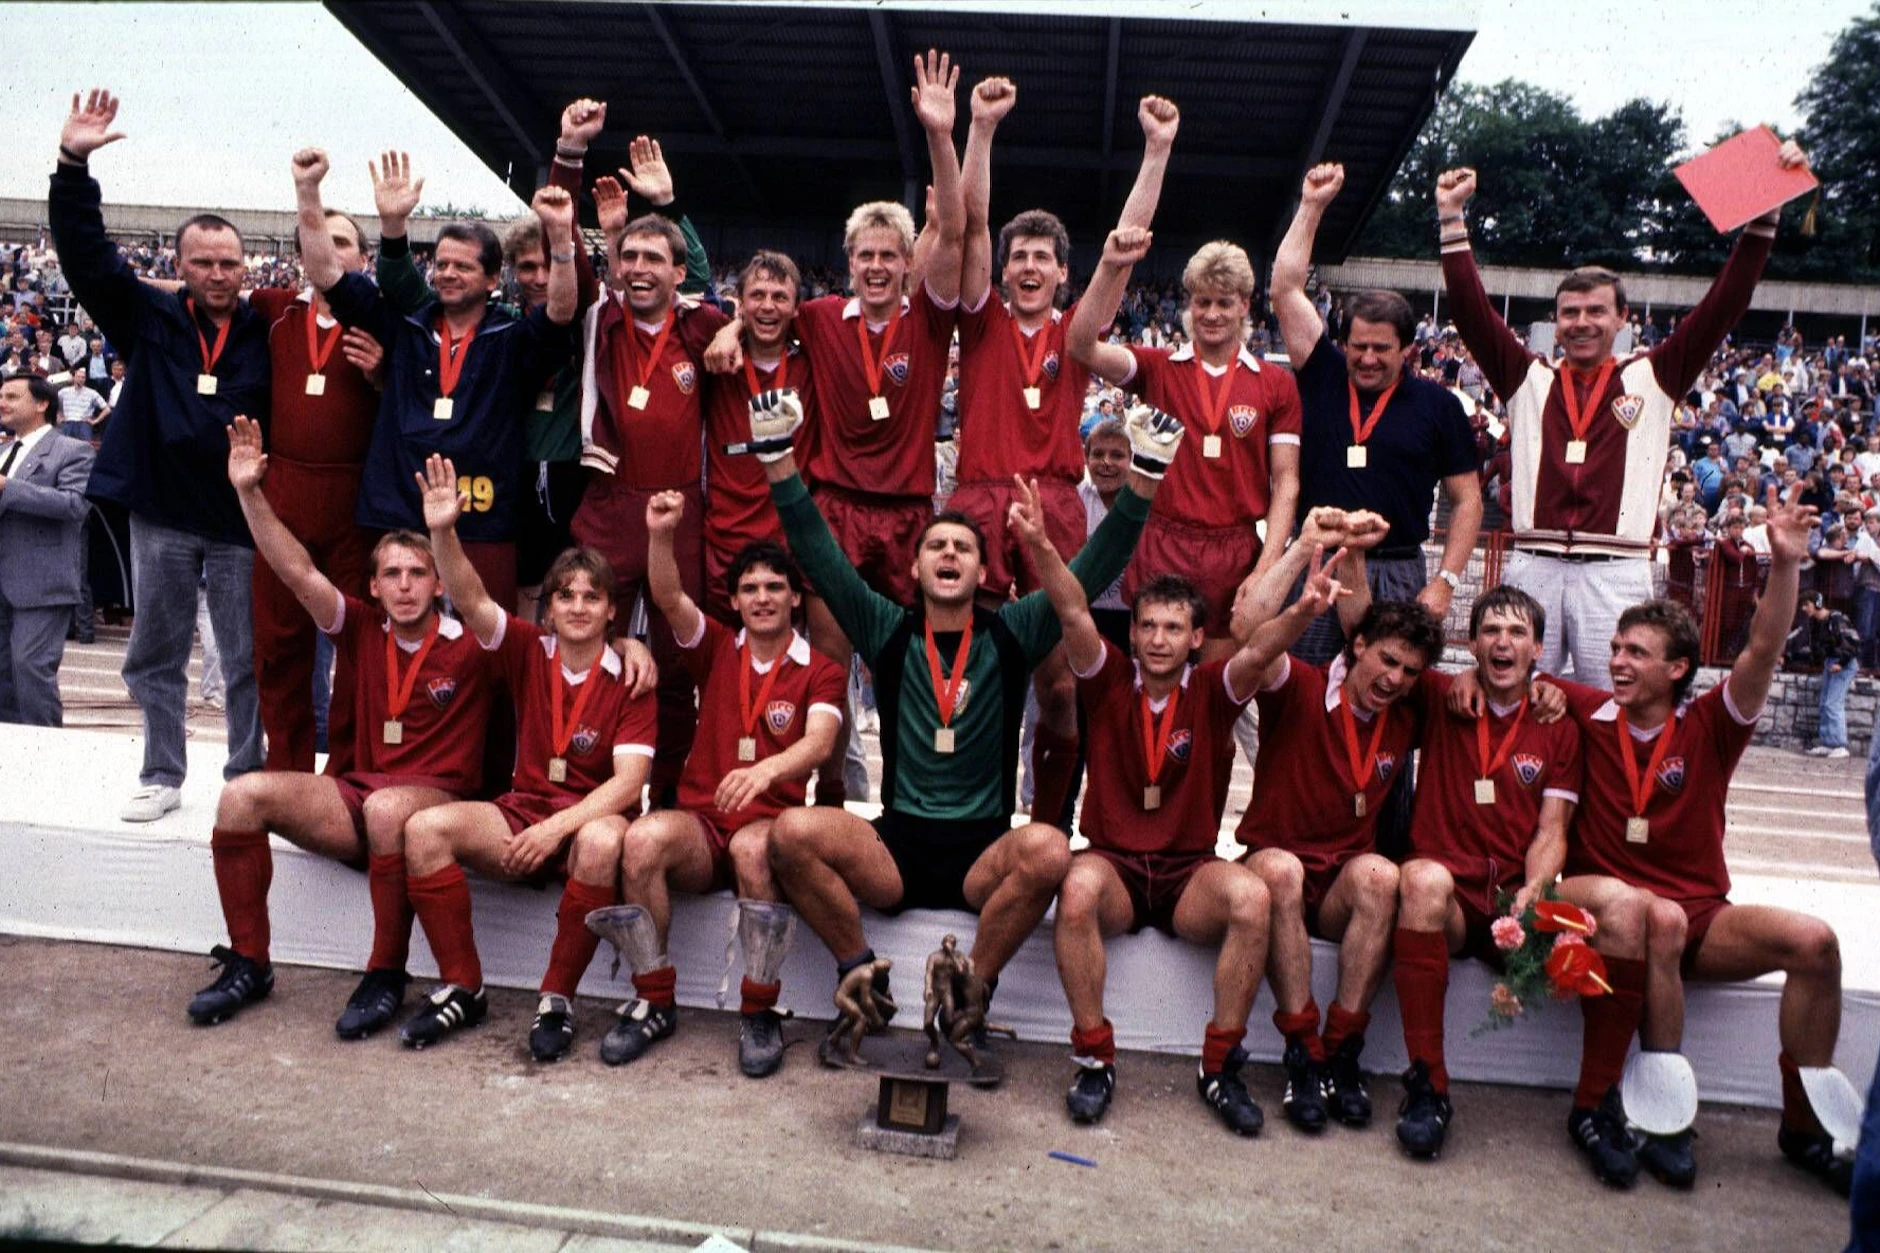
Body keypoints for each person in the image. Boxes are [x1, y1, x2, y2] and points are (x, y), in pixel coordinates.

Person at [752, 392, 1178, 1057]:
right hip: (896, 847)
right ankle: (858, 970)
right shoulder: (887, 629)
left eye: (962, 548)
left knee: (1050, 850)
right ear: (916, 567)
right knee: (790, 832)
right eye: (936, 546)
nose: (948, 555)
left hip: (982, 852)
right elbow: (823, 558)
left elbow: (1091, 570)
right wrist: (779, 463)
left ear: (983, 570)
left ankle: (967, 990)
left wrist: (1144, 483)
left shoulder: (1012, 631)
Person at [1543, 489, 1855, 1192]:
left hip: (1700, 915)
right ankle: (1662, 1116)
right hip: (1606, 903)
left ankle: (1804, 1126)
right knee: (1658, 914)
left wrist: (1783, 565)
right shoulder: (1588, 711)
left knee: (1816, 941)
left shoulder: (1713, 723)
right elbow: (1502, 672)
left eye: (1636, 653)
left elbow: (1766, 645)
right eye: (1616, 649)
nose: (1617, 662)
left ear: (1677, 668)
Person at [1435, 142, 1810, 680]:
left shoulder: (1655, 375)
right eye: (1569, 313)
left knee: (1613, 702)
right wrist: (1452, 220)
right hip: (1533, 562)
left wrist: (1763, 219)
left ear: (1622, 319)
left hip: (1616, 568)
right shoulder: (1528, 377)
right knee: (1513, 698)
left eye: (1595, 312)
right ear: (1555, 321)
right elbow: (1473, 317)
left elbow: (1722, 307)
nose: (1581, 323)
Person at [703, 50, 967, 806]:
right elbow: (757, 320)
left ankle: (907, 804)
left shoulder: (931, 317)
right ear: (846, 261)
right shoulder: (818, 319)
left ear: (909, 263)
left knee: (909, 669)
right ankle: (820, 806)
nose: (878, 266)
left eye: (891, 254)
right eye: (866, 255)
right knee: (828, 666)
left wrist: (942, 137)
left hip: (910, 512)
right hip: (835, 508)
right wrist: (724, 328)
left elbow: (952, 227)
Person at [188, 418, 494, 1038]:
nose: (405, 587)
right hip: (359, 797)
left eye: (417, 574)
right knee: (241, 795)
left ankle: (385, 972)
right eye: (392, 576)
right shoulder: (360, 627)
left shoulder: (475, 641)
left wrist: (444, 535)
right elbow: (297, 570)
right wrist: (250, 493)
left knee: (386, 810)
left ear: (438, 583)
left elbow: (500, 607)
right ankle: (249, 961)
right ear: (374, 587)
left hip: (438, 801)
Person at [1049, 545, 1351, 1134]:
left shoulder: (1214, 687)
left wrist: (1304, 613)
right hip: (1115, 866)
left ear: (1195, 638)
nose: (1159, 638)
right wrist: (1039, 544)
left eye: (1174, 627)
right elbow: (1072, 612)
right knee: (1077, 886)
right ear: (1132, 635)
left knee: (1251, 897)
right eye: (1148, 626)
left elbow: (1261, 649)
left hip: (1189, 872)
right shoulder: (1108, 678)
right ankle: (1093, 1059)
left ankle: (1220, 1068)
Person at [949, 79, 1177, 827]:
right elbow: (974, 222)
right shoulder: (978, 317)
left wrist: (1156, 149)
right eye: (1019, 256)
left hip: (1054, 500)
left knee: (1059, 680)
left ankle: (1048, 825)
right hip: (980, 496)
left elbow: (1125, 248)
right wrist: (980, 130)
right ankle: (969, 816)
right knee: (971, 676)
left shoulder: (1079, 332)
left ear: (1061, 272)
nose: (1028, 267)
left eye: (1043, 257)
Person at [50, 88, 267, 822]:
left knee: (244, 658)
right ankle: (163, 770)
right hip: (164, 511)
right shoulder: (150, 314)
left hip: (242, 516)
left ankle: (247, 778)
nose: (216, 273)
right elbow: (86, 258)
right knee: (156, 649)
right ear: (177, 266)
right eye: (202, 262)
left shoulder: (267, 329)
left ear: (247, 268)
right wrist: (73, 164)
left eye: (229, 262)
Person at [398, 455, 657, 1055]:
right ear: (548, 606)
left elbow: (628, 785)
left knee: (602, 839)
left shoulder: (632, 676)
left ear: (612, 611)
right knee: (424, 829)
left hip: (585, 822)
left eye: (592, 597)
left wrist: (556, 829)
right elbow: (471, 596)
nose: (578, 606)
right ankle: (463, 986)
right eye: (564, 595)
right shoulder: (525, 647)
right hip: (522, 811)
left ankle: (556, 998)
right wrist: (442, 533)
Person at [1397, 586, 1658, 1174]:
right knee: (1420, 881)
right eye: (1490, 631)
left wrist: (1536, 890)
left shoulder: (1558, 721)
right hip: (1455, 899)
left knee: (1625, 906)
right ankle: (1429, 1087)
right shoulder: (1443, 696)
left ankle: (1594, 1105)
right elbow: (1378, 645)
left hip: (1517, 893)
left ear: (1540, 647)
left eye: (1517, 633)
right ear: (1471, 643)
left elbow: (1553, 827)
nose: (1503, 642)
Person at [597, 492, 845, 1076]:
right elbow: (666, 596)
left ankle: (759, 1009)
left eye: (775, 587)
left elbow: (820, 742)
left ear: (795, 599)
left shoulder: (823, 669)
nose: (762, 598)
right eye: (751, 589)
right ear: (734, 601)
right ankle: (654, 999)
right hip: (702, 823)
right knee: (641, 840)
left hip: (765, 825)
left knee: (755, 848)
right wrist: (660, 534)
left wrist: (765, 770)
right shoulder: (715, 645)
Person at [293, 147, 578, 614]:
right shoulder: (405, 325)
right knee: (395, 645)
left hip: (481, 519)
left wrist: (562, 240)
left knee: (482, 652)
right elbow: (326, 273)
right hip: (399, 515)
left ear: (491, 280)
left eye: (462, 266)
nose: (447, 274)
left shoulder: (511, 336)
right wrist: (308, 192)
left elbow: (562, 310)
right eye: (441, 264)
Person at [1228, 517, 1443, 1136]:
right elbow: (1250, 643)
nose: (1395, 679)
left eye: (1410, 670)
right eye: (1387, 661)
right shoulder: (1295, 683)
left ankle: (1342, 1050)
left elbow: (1480, 690)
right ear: (1356, 648)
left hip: (1339, 883)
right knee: (1282, 868)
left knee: (1381, 876)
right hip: (1277, 866)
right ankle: (1302, 1052)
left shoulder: (1405, 712)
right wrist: (1307, 598)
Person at [1270, 162, 1482, 659]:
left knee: (1391, 695)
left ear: (1409, 348)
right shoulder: (1322, 370)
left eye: (1381, 349)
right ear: (1343, 342)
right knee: (1307, 692)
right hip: (1320, 560)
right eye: (1358, 346)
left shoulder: (1438, 404)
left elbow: (1468, 500)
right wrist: (1312, 206)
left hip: (1397, 567)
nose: (1366, 358)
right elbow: (1284, 290)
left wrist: (1446, 582)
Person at [569, 135, 726, 801]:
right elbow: (579, 279)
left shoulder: (699, 327)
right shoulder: (600, 317)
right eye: (627, 255)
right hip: (607, 505)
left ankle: (669, 797)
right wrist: (603, 234)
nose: (637, 267)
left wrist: (669, 203)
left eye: (652, 258)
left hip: (676, 513)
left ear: (677, 270)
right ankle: (578, 789)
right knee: (584, 646)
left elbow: (734, 314)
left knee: (676, 662)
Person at [1066, 224, 1302, 662]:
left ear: (1244, 306)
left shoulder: (1275, 384)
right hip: (1163, 538)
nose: (1212, 314)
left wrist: (1266, 568)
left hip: (1233, 549)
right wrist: (1112, 265)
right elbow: (1081, 347)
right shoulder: (1157, 367)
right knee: (1152, 682)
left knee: (1216, 692)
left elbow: (1286, 482)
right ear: (1189, 305)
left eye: (1224, 303)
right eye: (1203, 302)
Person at [246, 193, 385, 773]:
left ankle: (348, 769)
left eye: (341, 242)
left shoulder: (383, 317)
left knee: (356, 640)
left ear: (364, 258)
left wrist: (381, 376)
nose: (326, 251)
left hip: (355, 497)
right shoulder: (274, 307)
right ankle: (288, 768)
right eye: (316, 241)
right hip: (286, 490)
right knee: (279, 642)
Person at [0, 374, 94, 726]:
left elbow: (74, 505)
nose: (3, 402)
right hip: (4, 581)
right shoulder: (4, 451)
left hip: (41, 583)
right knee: (4, 677)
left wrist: (10, 487)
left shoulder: (73, 451)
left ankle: (45, 755)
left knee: (30, 669)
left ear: (42, 404)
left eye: (12, 396)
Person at [1793, 592, 1861, 759]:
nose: (1804, 609)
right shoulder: (1817, 623)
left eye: (1806, 604)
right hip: (1831, 662)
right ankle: (1828, 742)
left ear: (1816, 603)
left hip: (1843, 663)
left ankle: (1839, 744)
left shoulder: (1836, 619)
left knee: (1833, 702)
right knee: (1824, 702)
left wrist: (1841, 663)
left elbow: (1852, 642)